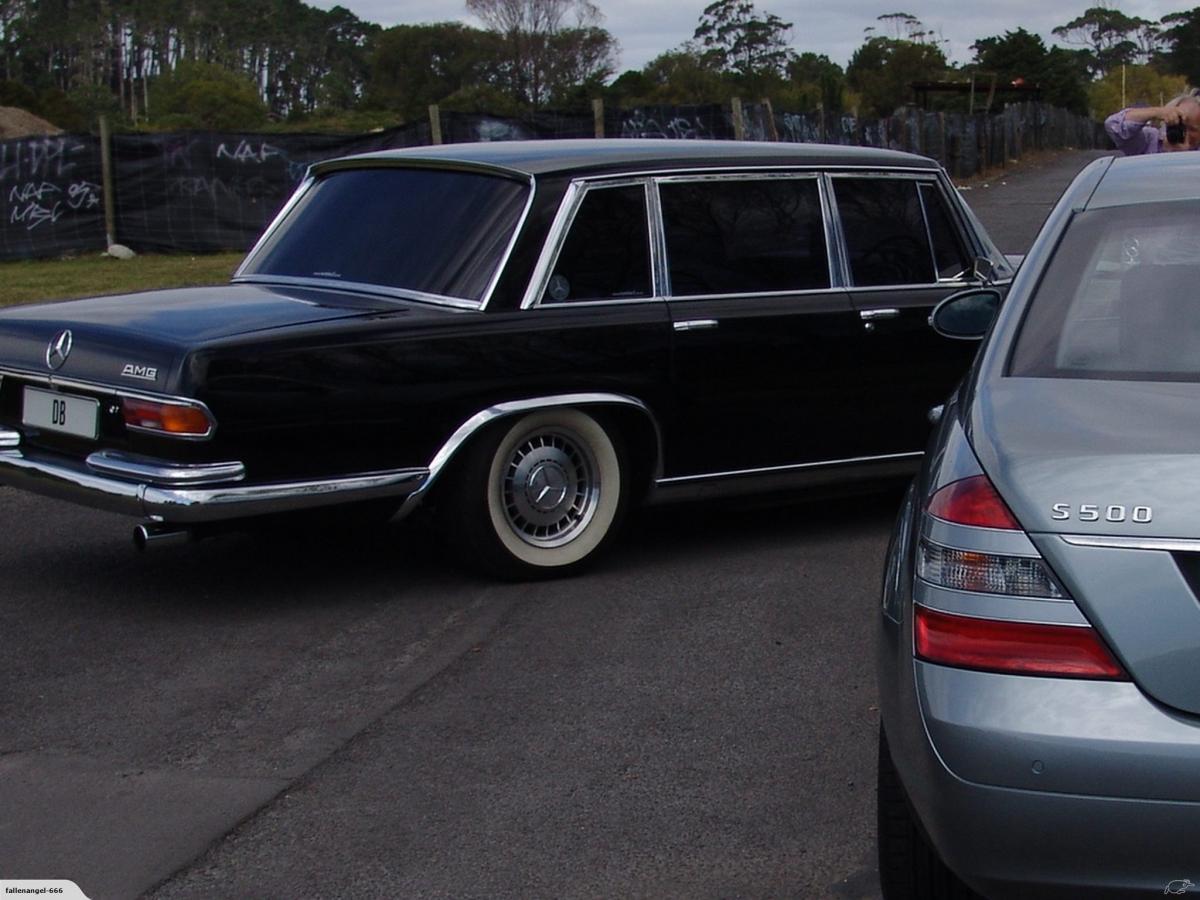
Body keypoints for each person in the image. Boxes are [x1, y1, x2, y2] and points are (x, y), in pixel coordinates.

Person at [1105, 90, 1200, 154]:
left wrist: (1185, 156)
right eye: (1179, 124)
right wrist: (1155, 112)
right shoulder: (1149, 141)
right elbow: (1113, 125)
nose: (1184, 132)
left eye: (1192, 129)